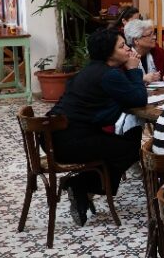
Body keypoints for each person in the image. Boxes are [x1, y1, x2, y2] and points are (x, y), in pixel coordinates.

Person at [48, 28, 147, 226]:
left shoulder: (93, 70)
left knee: (122, 143)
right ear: (108, 53)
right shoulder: (109, 75)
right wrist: (135, 69)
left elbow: (125, 95)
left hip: (55, 138)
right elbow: (138, 98)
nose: (128, 49)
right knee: (131, 147)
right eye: (122, 46)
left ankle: (82, 186)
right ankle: (80, 185)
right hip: (70, 142)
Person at [123, 19, 164, 85]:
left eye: (154, 34)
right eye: (150, 35)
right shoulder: (126, 57)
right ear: (136, 40)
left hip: (158, 93)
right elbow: (123, 83)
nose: (154, 37)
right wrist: (143, 78)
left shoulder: (157, 51)